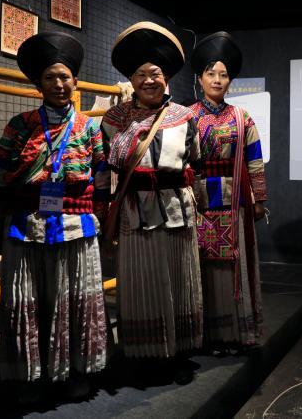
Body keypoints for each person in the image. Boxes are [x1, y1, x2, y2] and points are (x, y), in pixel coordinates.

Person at [0, 32, 108, 402]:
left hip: (75, 228)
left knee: (74, 301)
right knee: (28, 301)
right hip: (27, 227)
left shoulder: (88, 127)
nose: (58, 84)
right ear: (39, 84)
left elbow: (102, 181)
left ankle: (74, 371)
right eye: (50, 77)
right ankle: (30, 375)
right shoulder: (20, 126)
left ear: (75, 81)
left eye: (64, 76)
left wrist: (102, 222)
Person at [102, 22, 202, 383]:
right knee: (139, 281)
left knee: (178, 279)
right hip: (135, 212)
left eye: (155, 73)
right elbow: (105, 169)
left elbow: (195, 163)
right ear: (131, 80)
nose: (148, 80)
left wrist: (200, 209)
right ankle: (144, 353)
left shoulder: (185, 117)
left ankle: (179, 349)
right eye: (140, 74)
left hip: (177, 211)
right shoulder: (114, 119)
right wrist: (102, 214)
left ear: (167, 78)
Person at [189, 31, 268, 350]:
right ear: (200, 78)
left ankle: (235, 331)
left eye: (223, 75)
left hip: (234, 201)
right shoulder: (187, 117)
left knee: (233, 263)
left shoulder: (241, 117)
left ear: (230, 81)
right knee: (203, 264)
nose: (217, 80)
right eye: (211, 74)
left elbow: (255, 160)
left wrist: (259, 199)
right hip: (199, 201)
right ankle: (205, 334)